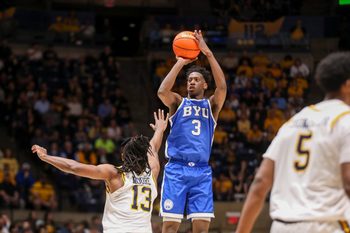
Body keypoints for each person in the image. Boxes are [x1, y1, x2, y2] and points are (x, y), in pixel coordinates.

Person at [236, 52, 350, 233]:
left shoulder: (293, 122)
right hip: (325, 225)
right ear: (347, 84)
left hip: (282, 226)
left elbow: (260, 183)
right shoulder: (346, 120)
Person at [32, 109, 169, 233]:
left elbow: (73, 167)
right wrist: (159, 130)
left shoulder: (115, 173)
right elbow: (154, 148)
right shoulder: (152, 171)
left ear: (123, 156)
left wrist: (46, 157)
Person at [157, 30, 227, 233]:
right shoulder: (178, 102)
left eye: (196, 79)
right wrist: (180, 62)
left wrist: (208, 53)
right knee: (170, 227)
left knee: (202, 229)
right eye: (189, 79)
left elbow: (222, 88)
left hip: (201, 170)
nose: (191, 82)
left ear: (205, 85)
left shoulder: (211, 105)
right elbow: (162, 91)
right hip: (176, 169)